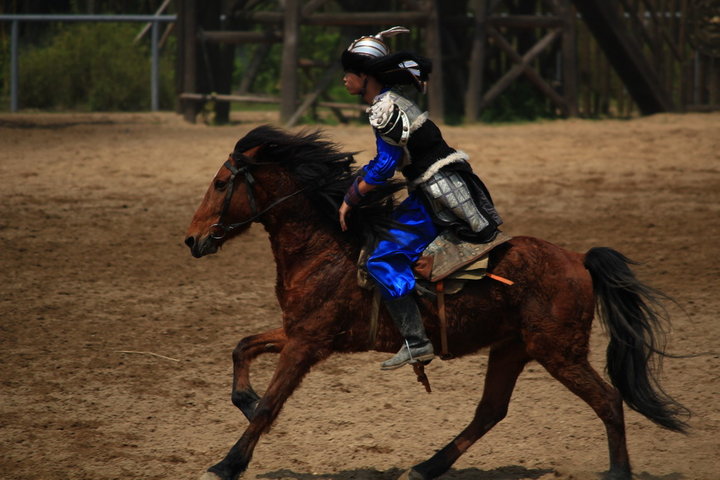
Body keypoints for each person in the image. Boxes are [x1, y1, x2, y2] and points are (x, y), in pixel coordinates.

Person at [338, 26, 503, 370]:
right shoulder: (389, 104)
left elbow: (386, 165)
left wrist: (351, 198)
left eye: (348, 74)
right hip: (430, 189)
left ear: (364, 76)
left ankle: (416, 341)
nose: (344, 80)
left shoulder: (385, 108)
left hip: (436, 194)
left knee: (381, 260)